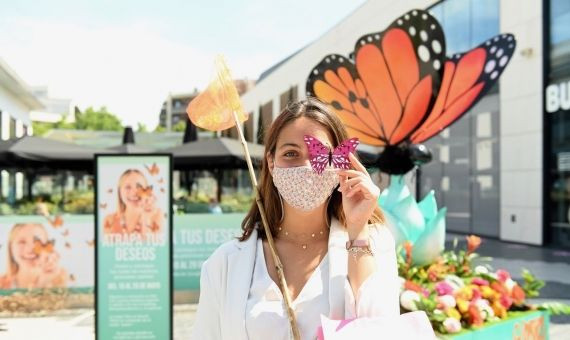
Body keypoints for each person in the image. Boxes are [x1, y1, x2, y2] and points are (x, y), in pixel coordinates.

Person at [191, 98, 401, 339]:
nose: (306, 167)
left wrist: (357, 230)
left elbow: (381, 329)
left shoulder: (374, 243)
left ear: (341, 162)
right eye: (291, 153)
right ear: (271, 163)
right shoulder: (224, 263)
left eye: (320, 154)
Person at [0, 223, 67, 289]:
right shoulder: (2, 283)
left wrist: (45, 281)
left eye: (37, 241)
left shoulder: (63, 280)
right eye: (22, 242)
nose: (30, 249)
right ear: (11, 247)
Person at [103, 169, 162, 235]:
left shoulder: (156, 215)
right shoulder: (109, 220)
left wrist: (145, 218)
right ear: (119, 191)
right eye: (128, 187)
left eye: (139, 187)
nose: (134, 193)